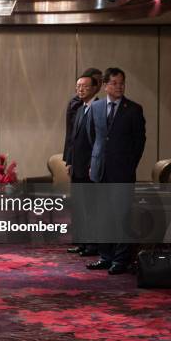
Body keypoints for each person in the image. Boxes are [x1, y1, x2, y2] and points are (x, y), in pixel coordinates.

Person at [86, 67, 146, 275]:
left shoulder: (134, 109)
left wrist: (130, 164)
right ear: (104, 85)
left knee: (122, 216)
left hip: (123, 171)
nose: (119, 87)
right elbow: (92, 137)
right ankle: (105, 256)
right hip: (100, 170)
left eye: (122, 83)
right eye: (114, 83)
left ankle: (120, 260)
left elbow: (139, 142)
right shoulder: (96, 107)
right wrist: (95, 160)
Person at [66, 72, 100, 257]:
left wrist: (92, 164)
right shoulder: (80, 109)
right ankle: (83, 243)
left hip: (90, 167)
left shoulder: (99, 108)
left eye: (85, 86)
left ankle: (93, 245)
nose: (80, 89)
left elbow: (98, 141)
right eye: (78, 86)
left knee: (90, 209)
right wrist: (70, 161)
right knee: (79, 208)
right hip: (77, 167)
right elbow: (73, 140)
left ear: (95, 88)